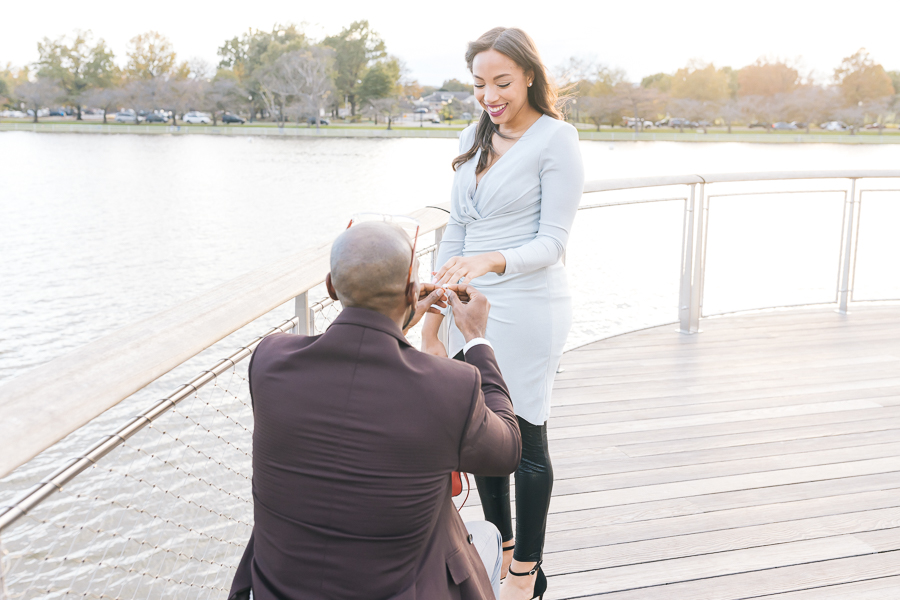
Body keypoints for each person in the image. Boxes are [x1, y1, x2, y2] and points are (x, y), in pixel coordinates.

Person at [228, 220, 522, 600]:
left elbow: (352, 399)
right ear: (412, 290)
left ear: (331, 286)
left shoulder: (269, 361)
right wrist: (477, 339)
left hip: (278, 590)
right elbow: (508, 449)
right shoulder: (449, 388)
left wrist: (394, 321)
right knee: (488, 535)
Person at [422, 27, 585, 600]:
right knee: (482, 430)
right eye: (479, 85)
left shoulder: (556, 140)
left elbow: (551, 243)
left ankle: (524, 575)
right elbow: (457, 230)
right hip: (473, 309)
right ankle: (504, 547)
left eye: (502, 82)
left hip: (530, 304)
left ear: (530, 77)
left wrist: (489, 262)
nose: (489, 96)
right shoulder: (475, 135)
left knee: (528, 436)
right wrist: (439, 304)